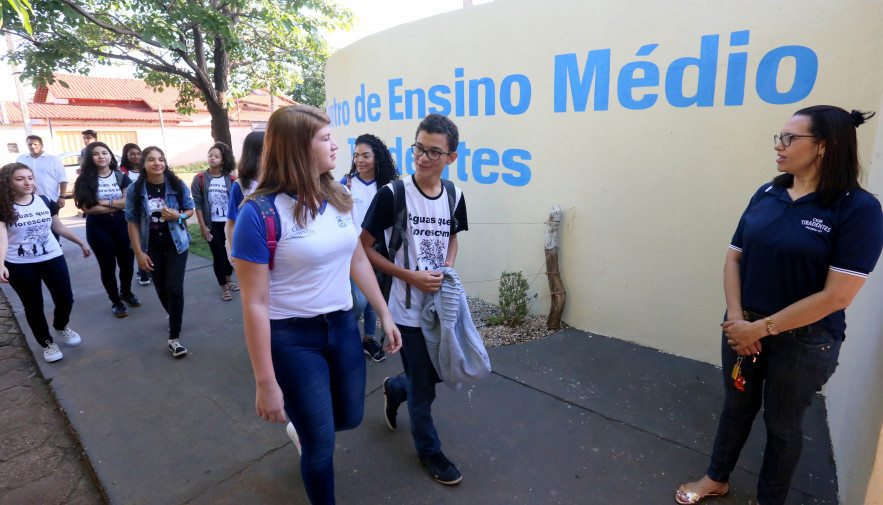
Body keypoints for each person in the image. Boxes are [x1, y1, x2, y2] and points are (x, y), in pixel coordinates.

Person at [675, 106, 883, 505]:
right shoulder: (768, 193)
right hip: (742, 330)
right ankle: (715, 479)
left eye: (790, 138)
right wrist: (738, 321)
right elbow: (734, 256)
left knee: (782, 426)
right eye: (779, 137)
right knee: (736, 407)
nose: (778, 146)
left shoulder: (857, 209)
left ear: (824, 146)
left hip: (804, 341)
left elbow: (837, 295)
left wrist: (761, 328)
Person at [232, 104, 401, 505]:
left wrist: (383, 313)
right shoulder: (258, 214)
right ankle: (310, 440)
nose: (336, 145)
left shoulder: (337, 193)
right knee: (321, 447)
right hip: (292, 339)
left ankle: (304, 428)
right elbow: (254, 304)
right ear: (297, 148)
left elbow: (356, 257)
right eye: (325, 138)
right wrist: (265, 382)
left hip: (343, 326)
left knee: (350, 417)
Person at [360, 113, 469, 485]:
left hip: (438, 308)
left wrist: (447, 269)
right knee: (425, 386)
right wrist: (411, 277)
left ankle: (394, 388)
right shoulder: (393, 194)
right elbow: (363, 251)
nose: (423, 158)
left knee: (437, 373)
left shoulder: (454, 194)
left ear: (451, 157)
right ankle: (429, 451)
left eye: (434, 152)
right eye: (419, 148)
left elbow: (452, 237)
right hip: (404, 309)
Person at [0, 163, 91, 362]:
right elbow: (2, 238)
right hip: (20, 264)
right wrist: (1, 264)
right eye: (20, 179)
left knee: (65, 299)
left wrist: (79, 242)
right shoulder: (4, 207)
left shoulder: (43, 200)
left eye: (30, 178)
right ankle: (47, 343)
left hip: (52, 257)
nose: (27, 182)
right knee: (33, 306)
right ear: (8, 182)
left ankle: (60, 326)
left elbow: (57, 226)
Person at [125, 146, 195, 357]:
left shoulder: (177, 184)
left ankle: (174, 336)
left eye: (161, 159)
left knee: (174, 288)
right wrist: (139, 253)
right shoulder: (135, 190)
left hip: (177, 244)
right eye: (151, 159)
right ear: (143, 164)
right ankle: (174, 315)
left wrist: (179, 217)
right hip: (151, 246)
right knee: (161, 288)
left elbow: (189, 210)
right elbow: (132, 222)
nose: (157, 163)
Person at [340, 134, 399, 362]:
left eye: (366, 155)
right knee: (360, 299)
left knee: (377, 299)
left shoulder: (387, 187)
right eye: (356, 155)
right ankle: (345, 336)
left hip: (379, 250)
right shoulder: (344, 185)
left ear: (378, 158)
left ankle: (368, 340)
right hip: (354, 252)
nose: (359, 160)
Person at [74, 141, 140, 318]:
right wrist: (117, 205)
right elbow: (86, 208)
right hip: (98, 227)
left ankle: (126, 292)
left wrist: (104, 202)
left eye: (104, 153)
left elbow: (129, 201)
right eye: (96, 154)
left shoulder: (120, 176)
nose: (101, 156)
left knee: (127, 263)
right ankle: (116, 301)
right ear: (89, 158)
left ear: (111, 156)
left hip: (122, 224)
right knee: (108, 266)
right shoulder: (85, 179)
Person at [192, 142, 237, 301]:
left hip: (230, 224)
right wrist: (203, 226)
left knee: (229, 255)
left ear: (223, 160)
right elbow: (197, 203)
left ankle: (228, 278)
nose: (212, 158)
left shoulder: (232, 179)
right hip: (213, 225)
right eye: (210, 155)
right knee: (218, 255)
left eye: (217, 156)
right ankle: (223, 287)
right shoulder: (200, 179)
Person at [225, 130, 265, 265]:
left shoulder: (278, 182)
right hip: (250, 249)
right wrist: (234, 252)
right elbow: (232, 223)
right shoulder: (240, 186)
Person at [120, 143, 150, 286]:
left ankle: (145, 269)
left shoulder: (147, 169)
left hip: (148, 212)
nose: (136, 156)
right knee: (136, 243)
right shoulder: (121, 172)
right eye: (132, 154)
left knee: (146, 243)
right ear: (126, 155)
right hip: (129, 213)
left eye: (138, 153)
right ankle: (142, 272)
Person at [16, 135, 68, 210]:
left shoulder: (53, 160)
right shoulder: (21, 159)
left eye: (35, 144)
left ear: (42, 145)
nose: (33, 146)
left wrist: (62, 196)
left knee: (52, 221)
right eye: (30, 144)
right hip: (28, 200)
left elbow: (62, 179)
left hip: (51, 199)